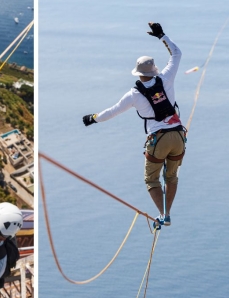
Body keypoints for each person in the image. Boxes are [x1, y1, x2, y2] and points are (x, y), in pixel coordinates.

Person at [82, 23, 185, 229]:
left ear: (138, 73)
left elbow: (112, 112)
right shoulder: (166, 78)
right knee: (171, 176)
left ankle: (164, 214)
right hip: (178, 136)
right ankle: (167, 214)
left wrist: (93, 118)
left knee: (152, 180)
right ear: (154, 70)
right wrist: (161, 36)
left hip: (159, 139)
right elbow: (177, 54)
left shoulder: (134, 95)